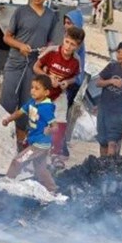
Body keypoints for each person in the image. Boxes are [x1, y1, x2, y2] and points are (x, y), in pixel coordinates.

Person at [0, 0, 62, 144]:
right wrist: (20, 45)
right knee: (7, 101)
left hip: (34, 68)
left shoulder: (51, 16)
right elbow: (7, 37)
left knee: (28, 105)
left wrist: (46, 49)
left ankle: (21, 143)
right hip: (15, 63)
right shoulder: (20, 12)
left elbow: (54, 43)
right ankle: (2, 139)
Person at [34, 25, 84, 160]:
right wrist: (48, 77)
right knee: (40, 122)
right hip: (44, 93)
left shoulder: (76, 60)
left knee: (60, 123)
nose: (68, 47)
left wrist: (66, 83)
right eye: (67, 42)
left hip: (60, 94)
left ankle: (55, 153)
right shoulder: (52, 52)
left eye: (72, 44)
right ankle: (35, 152)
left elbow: (75, 77)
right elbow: (36, 67)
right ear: (64, 39)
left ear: (77, 47)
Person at [1, 74, 57, 191]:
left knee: (18, 161)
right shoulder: (32, 102)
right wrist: (8, 119)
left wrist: (49, 130)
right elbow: (19, 112)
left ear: (46, 92)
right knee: (40, 169)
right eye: (32, 87)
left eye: (37, 88)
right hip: (36, 142)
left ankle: (6, 183)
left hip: (40, 144)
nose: (33, 90)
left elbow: (55, 127)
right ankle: (52, 189)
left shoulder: (46, 108)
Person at [63, 9, 86, 109]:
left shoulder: (77, 43)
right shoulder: (68, 38)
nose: (66, 26)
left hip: (71, 82)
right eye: (65, 23)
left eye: (69, 23)